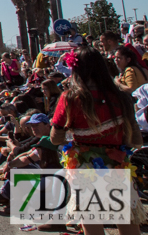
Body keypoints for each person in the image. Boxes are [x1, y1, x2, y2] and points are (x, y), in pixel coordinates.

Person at [51, 46, 145, 233]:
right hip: (117, 164)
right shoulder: (121, 97)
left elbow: (55, 139)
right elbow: (136, 142)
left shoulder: (70, 98)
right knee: (126, 222)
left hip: (84, 166)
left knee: (92, 222)